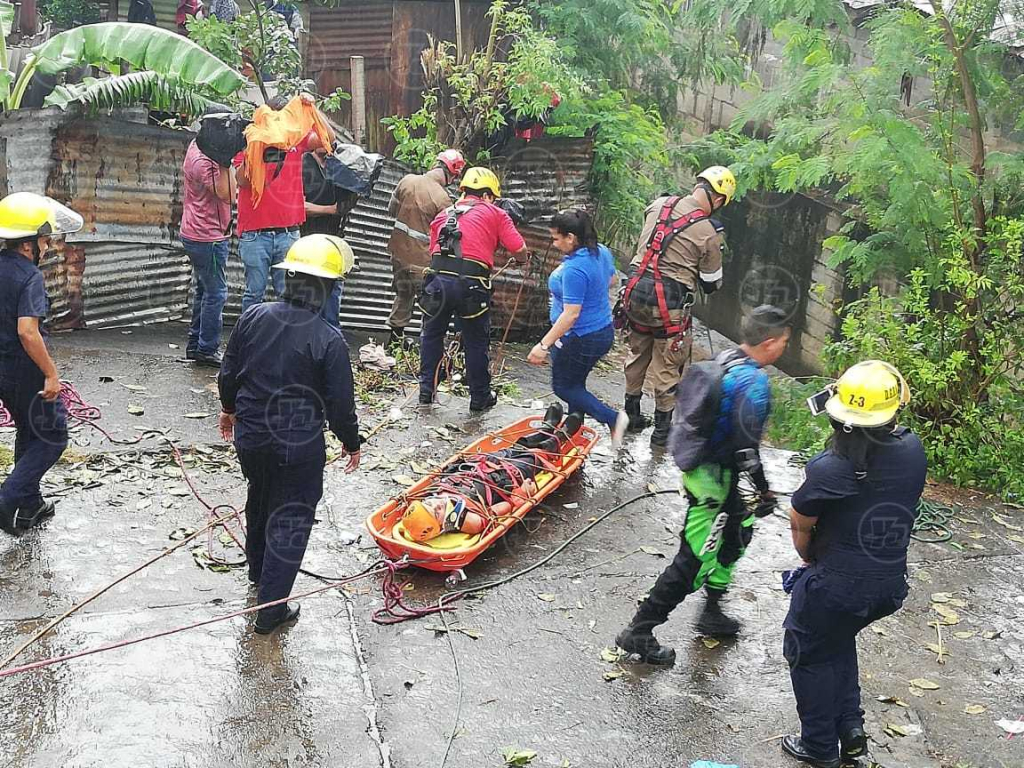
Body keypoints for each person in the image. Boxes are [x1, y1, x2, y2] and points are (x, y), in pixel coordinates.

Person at [615, 305, 791, 664]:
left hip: (712, 470)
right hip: (712, 481)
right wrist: (764, 490)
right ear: (770, 343)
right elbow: (746, 450)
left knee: (738, 534)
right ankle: (639, 630)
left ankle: (712, 610)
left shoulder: (727, 359)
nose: (785, 347)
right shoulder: (753, 382)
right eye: (785, 341)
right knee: (692, 559)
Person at [781, 361, 925, 768]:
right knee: (837, 642)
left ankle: (820, 748)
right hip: (888, 586)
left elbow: (800, 522)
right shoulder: (913, 451)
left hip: (837, 587)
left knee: (806, 650)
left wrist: (810, 560)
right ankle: (852, 733)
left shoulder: (831, 470)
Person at [218, 233, 361, 634]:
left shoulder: (254, 316)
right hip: (296, 446)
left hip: (251, 436)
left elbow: (229, 372)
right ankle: (272, 609)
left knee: (260, 497)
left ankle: (258, 572)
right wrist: (352, 443)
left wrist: (228, 410)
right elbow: (339, 406)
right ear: (328, 288)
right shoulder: (329, 339)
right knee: (292, 516)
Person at [621, 166, 736, 447]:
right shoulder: (709, 232)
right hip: (669, 307)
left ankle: (631, 416)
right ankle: (661, 434)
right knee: (667, 364)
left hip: (633, 293)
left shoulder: (658, 204)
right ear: (718, 199)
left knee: (637, 353)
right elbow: (711, 283)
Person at [0, 193, 83, 534]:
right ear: (27, 244)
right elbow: (27, 331)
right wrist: (51, 374)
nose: (47, 246)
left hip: (3, 371)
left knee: (29, 430)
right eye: (44, 240)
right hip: (26, 369)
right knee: (52, 437)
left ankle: (30, 503)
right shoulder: (29, 277)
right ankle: (8, 499)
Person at [418, 167, 528, 412]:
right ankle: (479, 397)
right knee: (475, 341)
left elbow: (433, 250)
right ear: (488, 195)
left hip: (437, 282)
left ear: (464, 190)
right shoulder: (495, 213)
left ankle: (427, 390)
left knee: (431, 334)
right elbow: (519, 248)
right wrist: (521, 260)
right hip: (470, 285)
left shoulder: (442, 215)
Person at [401, 404, 583, 541]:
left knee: (517, 447)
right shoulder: (468, 521)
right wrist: (520, 495)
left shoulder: (433, 495)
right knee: (536, 455)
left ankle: (546, 427)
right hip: (506, 477)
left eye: (429, 504)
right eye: (437, 511)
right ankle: (558, 437)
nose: (436, 504)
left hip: (483, 464)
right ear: (441, 525)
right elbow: (498, 511)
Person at [527, 209, 628, 448]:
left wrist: (543, 345)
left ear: (571, 238)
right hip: (602, 331)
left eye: (556, 238)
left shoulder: (575, 269)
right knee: (576, 384)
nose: (554, 243)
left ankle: (613, 419)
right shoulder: (600, 251)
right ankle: (574, 421)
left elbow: (571, 315)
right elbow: (612, 280)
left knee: (563, 387)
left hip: (580, 337)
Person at [235, 93, 335, 315]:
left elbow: (328, 137)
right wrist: (257, 153)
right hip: (255, 234)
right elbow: (241, 181)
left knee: (288, 295)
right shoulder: (252, 139)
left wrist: (311, 109)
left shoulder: (297, 139)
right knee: (254, 293)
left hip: (287, 233)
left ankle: (284, 343)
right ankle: (248, 340)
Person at [386, 149, 465, 349]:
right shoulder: (443, 199)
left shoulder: (407, 180)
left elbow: (391, 210)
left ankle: (394, 341)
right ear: (451, 174)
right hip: (422, 260)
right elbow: (445, 235)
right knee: (430, 301)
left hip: (397, 253)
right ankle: (428, 345)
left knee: (403, 294)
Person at [180, 137, 235, 368]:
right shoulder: (206, 161)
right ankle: (207, 349)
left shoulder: (197, 144)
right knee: (216, 293)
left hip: (197, 231)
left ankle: (196, 345)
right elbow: (230, 194)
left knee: (204, 290)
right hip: (207, 236)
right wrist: (226, 162)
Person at [301, 142, 360, 328]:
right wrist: (333, 209)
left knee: (333, 289)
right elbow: (301, 207)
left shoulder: (338, 166)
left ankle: (331, 331)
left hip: (334, 239)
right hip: (308, 238)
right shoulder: (303, 164)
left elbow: (344, 204)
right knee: (309, 290)